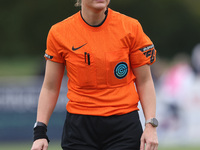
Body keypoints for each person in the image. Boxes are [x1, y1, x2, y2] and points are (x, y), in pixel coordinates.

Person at [31, 0, 158, 150]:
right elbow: (50, 87)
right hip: (79, 129)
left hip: (124, 127)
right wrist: (40, 133)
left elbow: (144, 81)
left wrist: (151, 125)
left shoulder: (131, 27)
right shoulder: (59, 33)